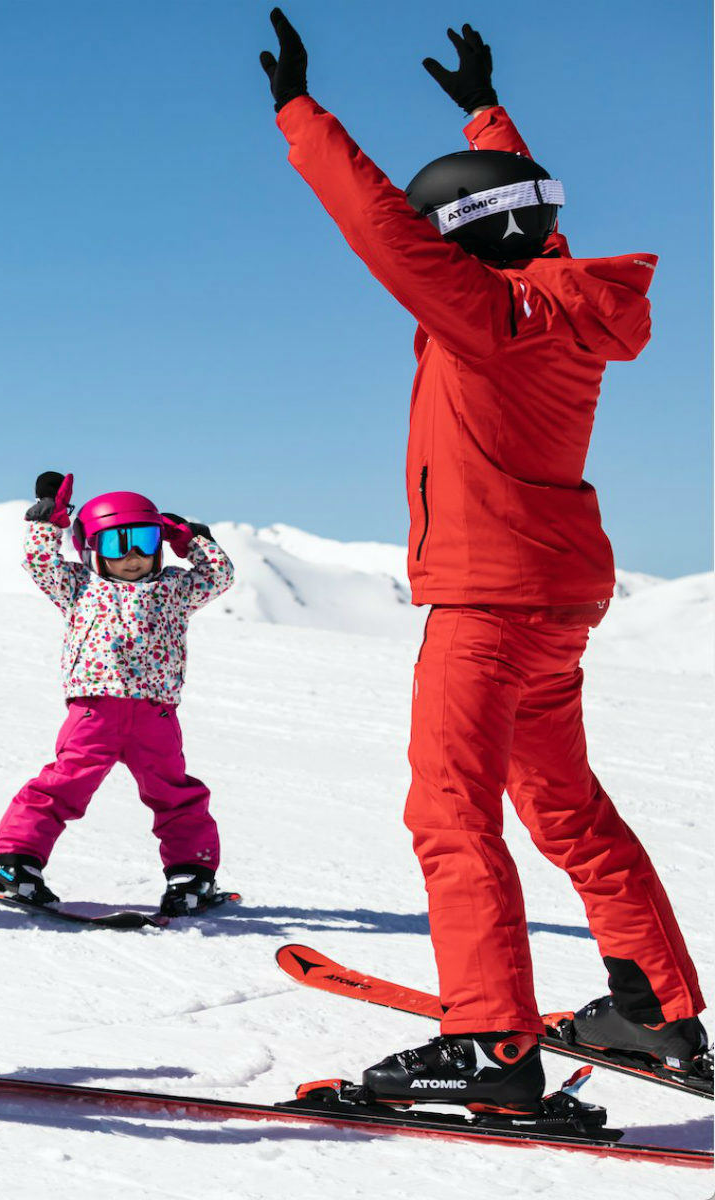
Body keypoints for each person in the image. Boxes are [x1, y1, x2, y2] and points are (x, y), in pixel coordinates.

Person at [261, 10, 706, 1107]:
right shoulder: (563, 299)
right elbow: (513, 208)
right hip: (554, 603)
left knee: (449, 814)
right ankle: (652, 1010)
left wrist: (301, 117)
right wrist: (484, 111)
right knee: (563, 806)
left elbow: (382, 229)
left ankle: (492, 1049)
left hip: (484, 600)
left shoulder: (481, 313)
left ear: (461, 240)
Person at [0, 474, 234, 915]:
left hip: (155, 715)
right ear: (92, 550)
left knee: (175, 794)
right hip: (94, 710)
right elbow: (39, 562)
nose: (134, 556)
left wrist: (193, 539)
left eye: (143, 539)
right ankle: (13, 865)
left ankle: (190, 877)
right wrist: (48, 519)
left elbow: (218, 576)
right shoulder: (80, 587)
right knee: (62, 786)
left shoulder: (175, 587)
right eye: (118, 545)